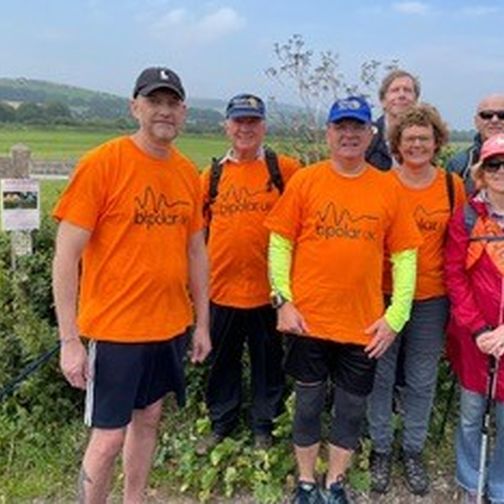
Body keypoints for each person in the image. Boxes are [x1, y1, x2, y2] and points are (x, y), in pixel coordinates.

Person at [52, 66, 211, 503]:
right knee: (107, 439)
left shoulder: (186, 173)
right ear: (134, 107)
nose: (164, 111)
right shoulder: (103, 163)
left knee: (149, 419)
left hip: (169, 326)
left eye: (172, 103)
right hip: (115, 330)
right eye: (154, 101)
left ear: (183, 112)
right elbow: (65, 256)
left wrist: (202, 324)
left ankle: (134, 498)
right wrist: (69, 340)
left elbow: (196, 253)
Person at [265, 96, 422, 504]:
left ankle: (334, 484)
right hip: (308, 320)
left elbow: (405, 256)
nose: (349, 135)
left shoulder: (388, 187)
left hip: (362, 324)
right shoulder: (306, 181)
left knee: (351, 410)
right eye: (341, 127)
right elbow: (280, 243)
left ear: (371, 134)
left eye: (357, 127)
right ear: (329, 133)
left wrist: (397, 316)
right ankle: (305, 483)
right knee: (308, 405)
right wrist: (283, 300)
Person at [367, 104, 466, 496]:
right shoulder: (381, 183)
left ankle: (412, 449)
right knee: (380, 375)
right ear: (397, 144)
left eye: (424, 138)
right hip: (385, 295)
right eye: (409, 139)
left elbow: (459, 244)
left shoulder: (451, 186)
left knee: (421, 379)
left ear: (437, 142)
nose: (417, 145)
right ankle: (379, 449)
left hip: (431, 298)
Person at [198, 94, 300, 452]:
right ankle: (221, 424)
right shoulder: (211, 176)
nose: (245, 128)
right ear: (227, 126)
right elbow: (196, 235)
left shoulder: (284, 170)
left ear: (264, 126)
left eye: (252, 121)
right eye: (239, 121)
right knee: (221, 363)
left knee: (268, 363)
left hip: (269, 292)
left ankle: (263, 427)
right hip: (221, 289)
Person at [444, 133, 504, 504]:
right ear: (481, 172)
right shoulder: (466, 217)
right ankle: (470, 481)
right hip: (474, 337)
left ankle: (499, 487)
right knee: (470, 414)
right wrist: (480, 329)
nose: (501, 171)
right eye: (493, 164)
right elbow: (454, 276)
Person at [447, 94, 504, 195]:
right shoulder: (460, 164)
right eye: (487, 115)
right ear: (476, 121)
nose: (495, 120)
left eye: (502, 115)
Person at [365, 69, 420, 171]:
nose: (402, 95)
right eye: (395, 90)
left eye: (407, 90)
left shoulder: (425, 137)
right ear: (383, 101)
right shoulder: (368, 136)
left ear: (416, 100)